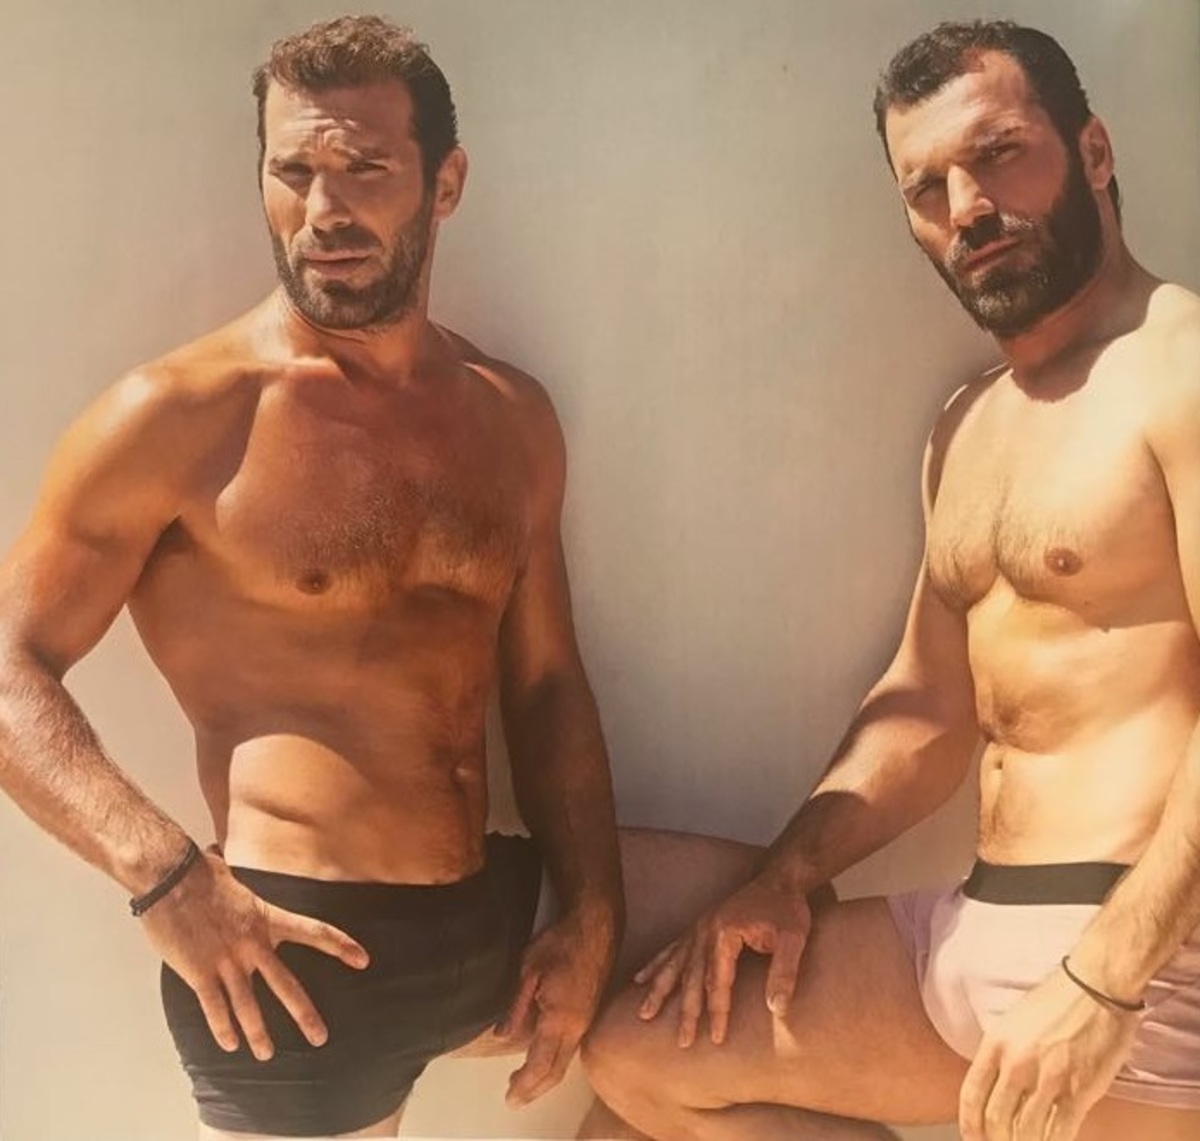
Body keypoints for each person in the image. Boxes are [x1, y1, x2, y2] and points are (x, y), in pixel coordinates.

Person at [0, 15, 634, 1140]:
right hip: (290, 967)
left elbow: (545, 685)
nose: (324, 210)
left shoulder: (510, 418)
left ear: (445, 184)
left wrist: (592, 912)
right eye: (293, 172)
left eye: (365, 169)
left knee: (757, 934)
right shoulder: (182, 416)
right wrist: (164, 875)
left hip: (496, 917)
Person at [580, 19, 1200, 1141]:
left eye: (999, 154)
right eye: (927, 186)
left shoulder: (1181, 368)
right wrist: (783, 877)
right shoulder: (968, 422)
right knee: (639, 1054)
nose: (967, 207)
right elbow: (927, 709)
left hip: (1149, 960)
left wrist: (1105, 982)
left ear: (1095, 151)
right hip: (974, 923)